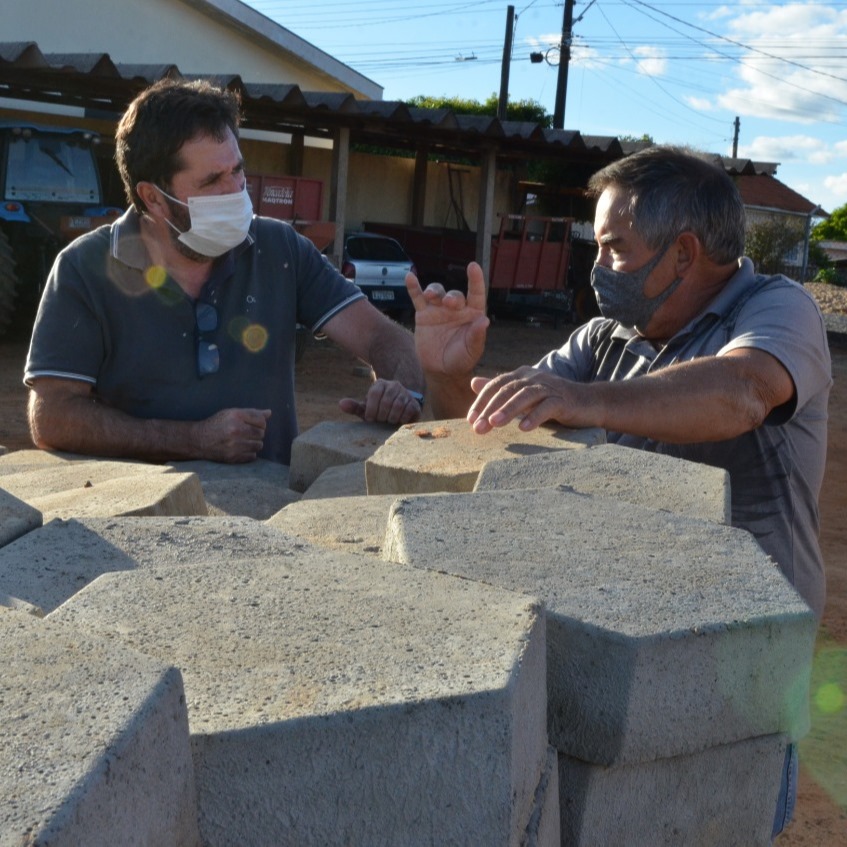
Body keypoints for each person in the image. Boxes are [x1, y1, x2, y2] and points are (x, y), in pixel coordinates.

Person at [408, 145, 832, 838]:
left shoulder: (776, 307)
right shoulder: (606, 336)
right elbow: (497, 431)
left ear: (683, 253)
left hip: (741, 653)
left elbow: (744, 389)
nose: (597, 265)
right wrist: (446, 376)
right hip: (623, 629)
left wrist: (584, 398)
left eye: (614, 248)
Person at [24, 78, 425, 466]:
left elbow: (382, 337)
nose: (236, 191)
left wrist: (401, 390)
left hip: (270, 505)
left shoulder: (280, 249)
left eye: (237, 170)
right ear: (153, 198)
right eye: (213, 180)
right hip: (142, 507)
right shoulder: (84, 269)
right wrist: (191, 440)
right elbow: (52, 415)